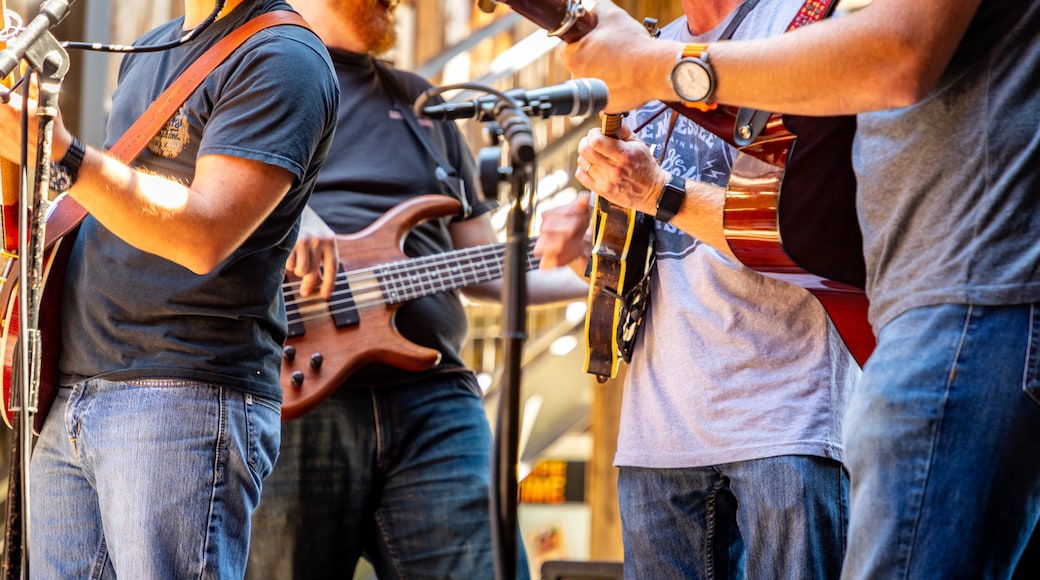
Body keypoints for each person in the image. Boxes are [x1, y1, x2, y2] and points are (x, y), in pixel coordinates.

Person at [554, 0, 1040, 577]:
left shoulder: (795, 19)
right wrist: (596, 248)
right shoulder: (668, 46)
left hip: (815, 400)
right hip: (665, 427)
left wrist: (659, 123)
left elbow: (805, 208)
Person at [244, 0, 588, 578]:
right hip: (297, 390)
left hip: (435, 398)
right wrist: (291, 215)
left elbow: (484, 267)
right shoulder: (263, 76)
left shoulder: (424, 105)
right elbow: (195, 201)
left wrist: (591, 277)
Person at [0, 0, 338, 577]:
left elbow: (204, 234)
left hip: (182, 394)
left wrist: (63, 150)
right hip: (75, 391)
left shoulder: (285, 56)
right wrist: (15, 117)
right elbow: (95, 200)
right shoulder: (155, 44)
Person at [534, 0, 859, 577]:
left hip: (783, 423)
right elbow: (651, 254)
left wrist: (660, 190)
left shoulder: (799, 25)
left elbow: (812, 228)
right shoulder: (640, 50)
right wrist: (591, 250)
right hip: (656, 436)